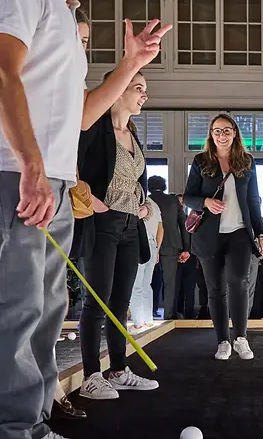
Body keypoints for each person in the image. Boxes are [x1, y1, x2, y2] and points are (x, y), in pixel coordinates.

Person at [0, 0, 170, 439]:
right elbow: (2, 73)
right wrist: (30, 164)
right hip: (13, 169)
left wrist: (130, 64)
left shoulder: (59, 8)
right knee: (15, 301)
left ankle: (32, 427)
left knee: (50, 303)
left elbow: (81, 115)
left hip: (51, 172)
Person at [75, 70, 160, 399]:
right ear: (118, 90)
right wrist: (92, 201)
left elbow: (137, 179)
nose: (144, 95)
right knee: (96, 301)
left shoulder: (132, 132)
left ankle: (118, 369)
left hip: (129, 225)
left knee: (119, 303)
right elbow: (74, 165)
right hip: (103, 223)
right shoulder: (96, 128)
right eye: (138, 88)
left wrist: (142, 204)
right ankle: (91, 377)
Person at [184, 114, 263, 360]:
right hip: (209, 235)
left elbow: (253, 201)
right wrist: (206, 202)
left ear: (234, 134)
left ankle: (241, 337)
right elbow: (188, 197)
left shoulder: (246, 162)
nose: (222, 135)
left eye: (227, 131)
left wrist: (260, 234)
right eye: (217, 131)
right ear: (211, 134)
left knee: (239, 283)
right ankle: (223, 341)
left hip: (240, 233)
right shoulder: (201, 161)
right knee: (216, 289)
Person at [148, 175, 190, 320]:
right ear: (164, 186)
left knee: (145, 282)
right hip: (171, 246)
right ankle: (169, 315)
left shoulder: (146, 201)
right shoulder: (173, 201)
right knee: (169, 283)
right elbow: (183, 225)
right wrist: (186, 248)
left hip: (149, 246)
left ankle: (146, 314)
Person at [131, 194, 163, 328]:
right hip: (152, 245)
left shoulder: (133, 201)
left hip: (138, 243)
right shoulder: (153, 203)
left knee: (135, 285)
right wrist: (157, 249)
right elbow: (161, 229)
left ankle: (138, 323)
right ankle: (148, 319)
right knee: (146, 284)